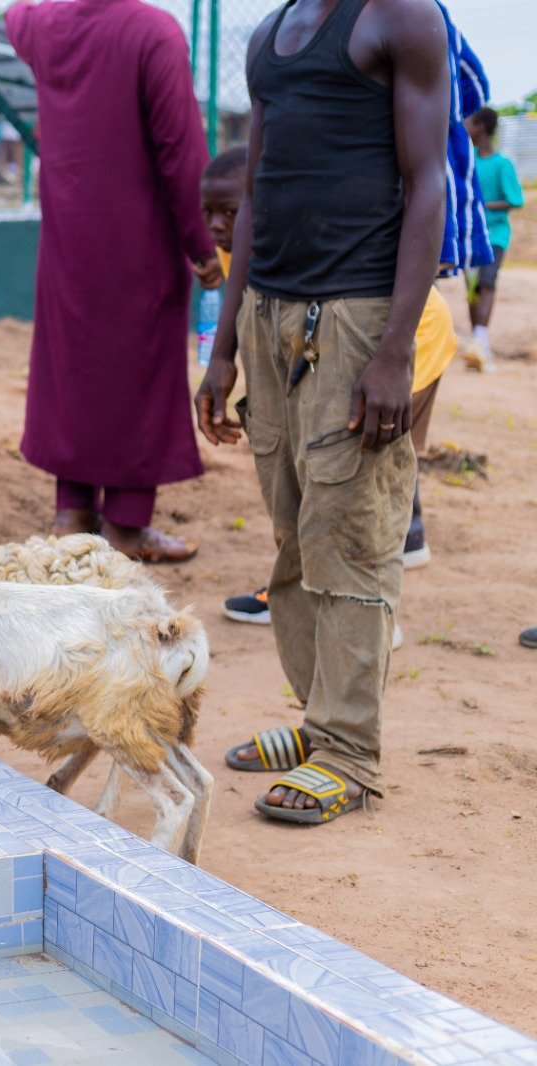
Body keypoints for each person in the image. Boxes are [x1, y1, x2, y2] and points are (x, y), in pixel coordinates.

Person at [195, 0, 448, 825]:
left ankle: (349, 753)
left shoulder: (398, 18)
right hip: (271, 313)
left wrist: (394, 350)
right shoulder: (273, 32)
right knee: (295, 536)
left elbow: (427, 182)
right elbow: (258, 195)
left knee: (353, 536)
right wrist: (226, 342)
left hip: (356, 316)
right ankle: (320, 724)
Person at [201, 146, 456, 628]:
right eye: (208, 213)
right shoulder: (236, 242)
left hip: (406, 346)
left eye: (231, 213)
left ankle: (358, 618)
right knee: (372, 469)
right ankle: (408, 540)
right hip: (411, 337)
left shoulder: (283, 238)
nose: (218, 225)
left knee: (339, 480)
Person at [4, 0, 220, 563]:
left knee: (72, 367)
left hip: (66, 242)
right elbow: (181, 149)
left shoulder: (43, 25)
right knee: (137, 373)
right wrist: (203, 243)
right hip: (139, 240)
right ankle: (125, 525)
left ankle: (72, 509)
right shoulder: (154, 33)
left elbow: (15, 15)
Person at [464, 107, 524, 372]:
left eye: (470, 122)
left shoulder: (502, 164)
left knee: (486, 284)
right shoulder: (469, 160)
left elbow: (515, 200)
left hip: (495, 235)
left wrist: (482, 204)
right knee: (472, 291)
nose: (465, 126)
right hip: (470, 235)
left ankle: (480, 340)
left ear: (481, 127)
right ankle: (478, 344)